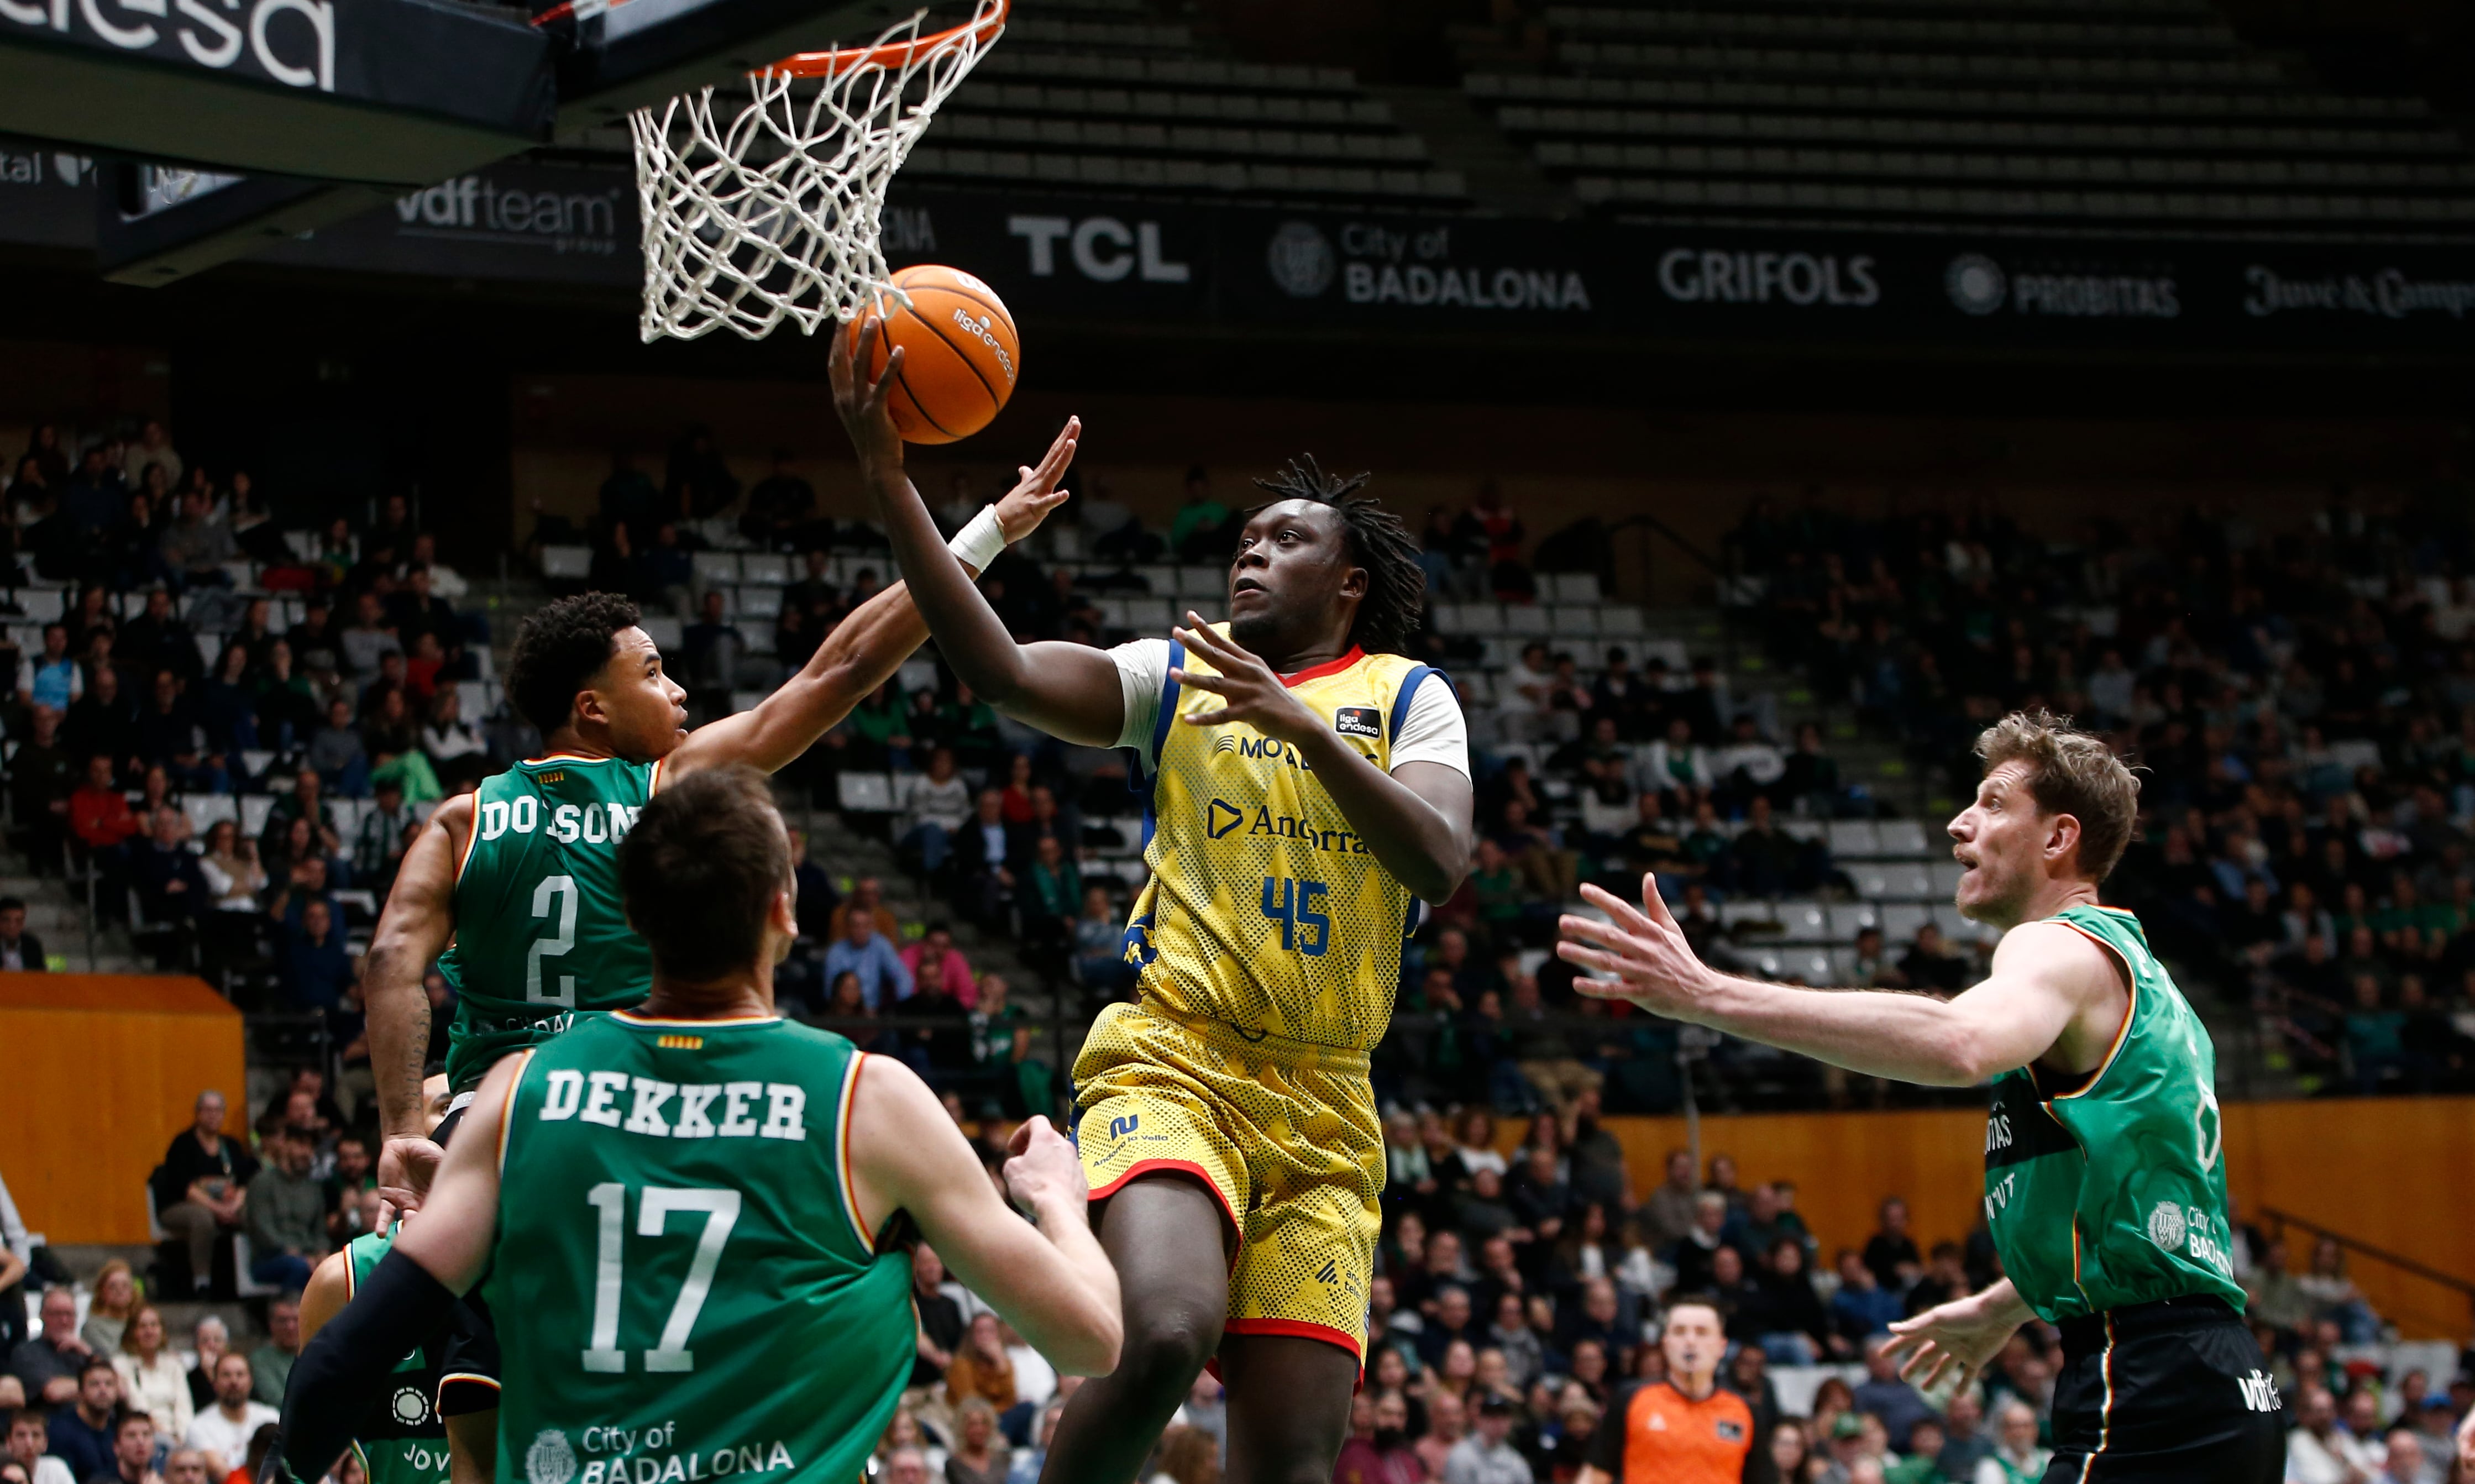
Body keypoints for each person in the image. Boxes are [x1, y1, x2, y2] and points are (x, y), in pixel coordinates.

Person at [836, 323, 1472, 1484]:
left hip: (1328, 1105)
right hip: (1176, 1057)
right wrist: (892, 483)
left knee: (1292, 1461)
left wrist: (1295, 723)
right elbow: (1002, 672)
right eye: (1245, 540)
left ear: (1348, 582)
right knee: (1165, 1330)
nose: (1252, 554)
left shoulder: (1409, 699)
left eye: (1287, 540)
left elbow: (1437, 859)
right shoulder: (1177, 671)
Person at [275, 768, 1121, 1484]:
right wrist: (1056, 1200)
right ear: (786, 912)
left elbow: (334, 1372)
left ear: (635, 924)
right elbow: (1088, 1337)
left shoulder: (518, 1094)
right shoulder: (868, 1100)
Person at [1560, 710, 2280, 1482]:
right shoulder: (2152, 986)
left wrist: (1707, 995)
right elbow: (2130, 1206)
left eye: (1994, 803)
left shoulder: (2054, 944)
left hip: (2142, 1385)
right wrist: (2006, 1303)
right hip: (2224, 1382)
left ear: (2057, 838)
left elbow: (1957, 1042)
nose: (1959, 823)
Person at [295, 1077, 485, 1484]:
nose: (471, 1119)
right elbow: (296, 1456)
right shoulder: (344, 1280)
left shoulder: (547, 1264)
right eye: (448, 1105)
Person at [1574, 1296, 1770, 1484]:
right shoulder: (1632, 1399)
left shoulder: (1745, 1411)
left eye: (1702, 1332)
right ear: (1666, 1344)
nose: (1691, 1341)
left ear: (1722, 1346)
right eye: (1680, 1331)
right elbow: (1594, 1477)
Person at [112, 1309, 192, 1446]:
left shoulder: (174, 1365)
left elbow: (184, 1407)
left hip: (178, 1438)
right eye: (143, 1326)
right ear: (133, 1332)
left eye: (154, 1325)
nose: (149, 1331)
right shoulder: (121, 1364)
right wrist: (166, 1438)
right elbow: (136, 1405)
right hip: (144, 1437)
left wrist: (183, 1439)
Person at [181, 1356, 272, 1478]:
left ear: (251, 1381)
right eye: (226, 1375)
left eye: (240, 1375)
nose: (234, 1381)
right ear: (214, 1383)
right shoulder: (199, 1426)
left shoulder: (271, 1418)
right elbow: (223, 1476)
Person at [9, 1292, 91, 1407]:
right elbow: (54, 1392)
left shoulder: (87, 1351)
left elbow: (120, 1388)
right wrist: (98, 1387)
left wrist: (89, 1355)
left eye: (69, 1314)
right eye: (57, 1314)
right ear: (43, 1316)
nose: (64, 1321)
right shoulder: (27, 1352)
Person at [1444, 1394, 1533, 1484]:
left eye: (1503, 1416)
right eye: (1491, 1416)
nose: (1498, 1422)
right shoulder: (1461, 1455)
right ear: (1480, 1419)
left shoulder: (1516, 1461)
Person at [5, 1407, 75, 1484]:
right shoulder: (3, 1472)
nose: (29, 1443)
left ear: (45, 1442)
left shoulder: (56, 1470)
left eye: (36, 1435)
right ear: (9, 1442)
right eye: (21, 1435)